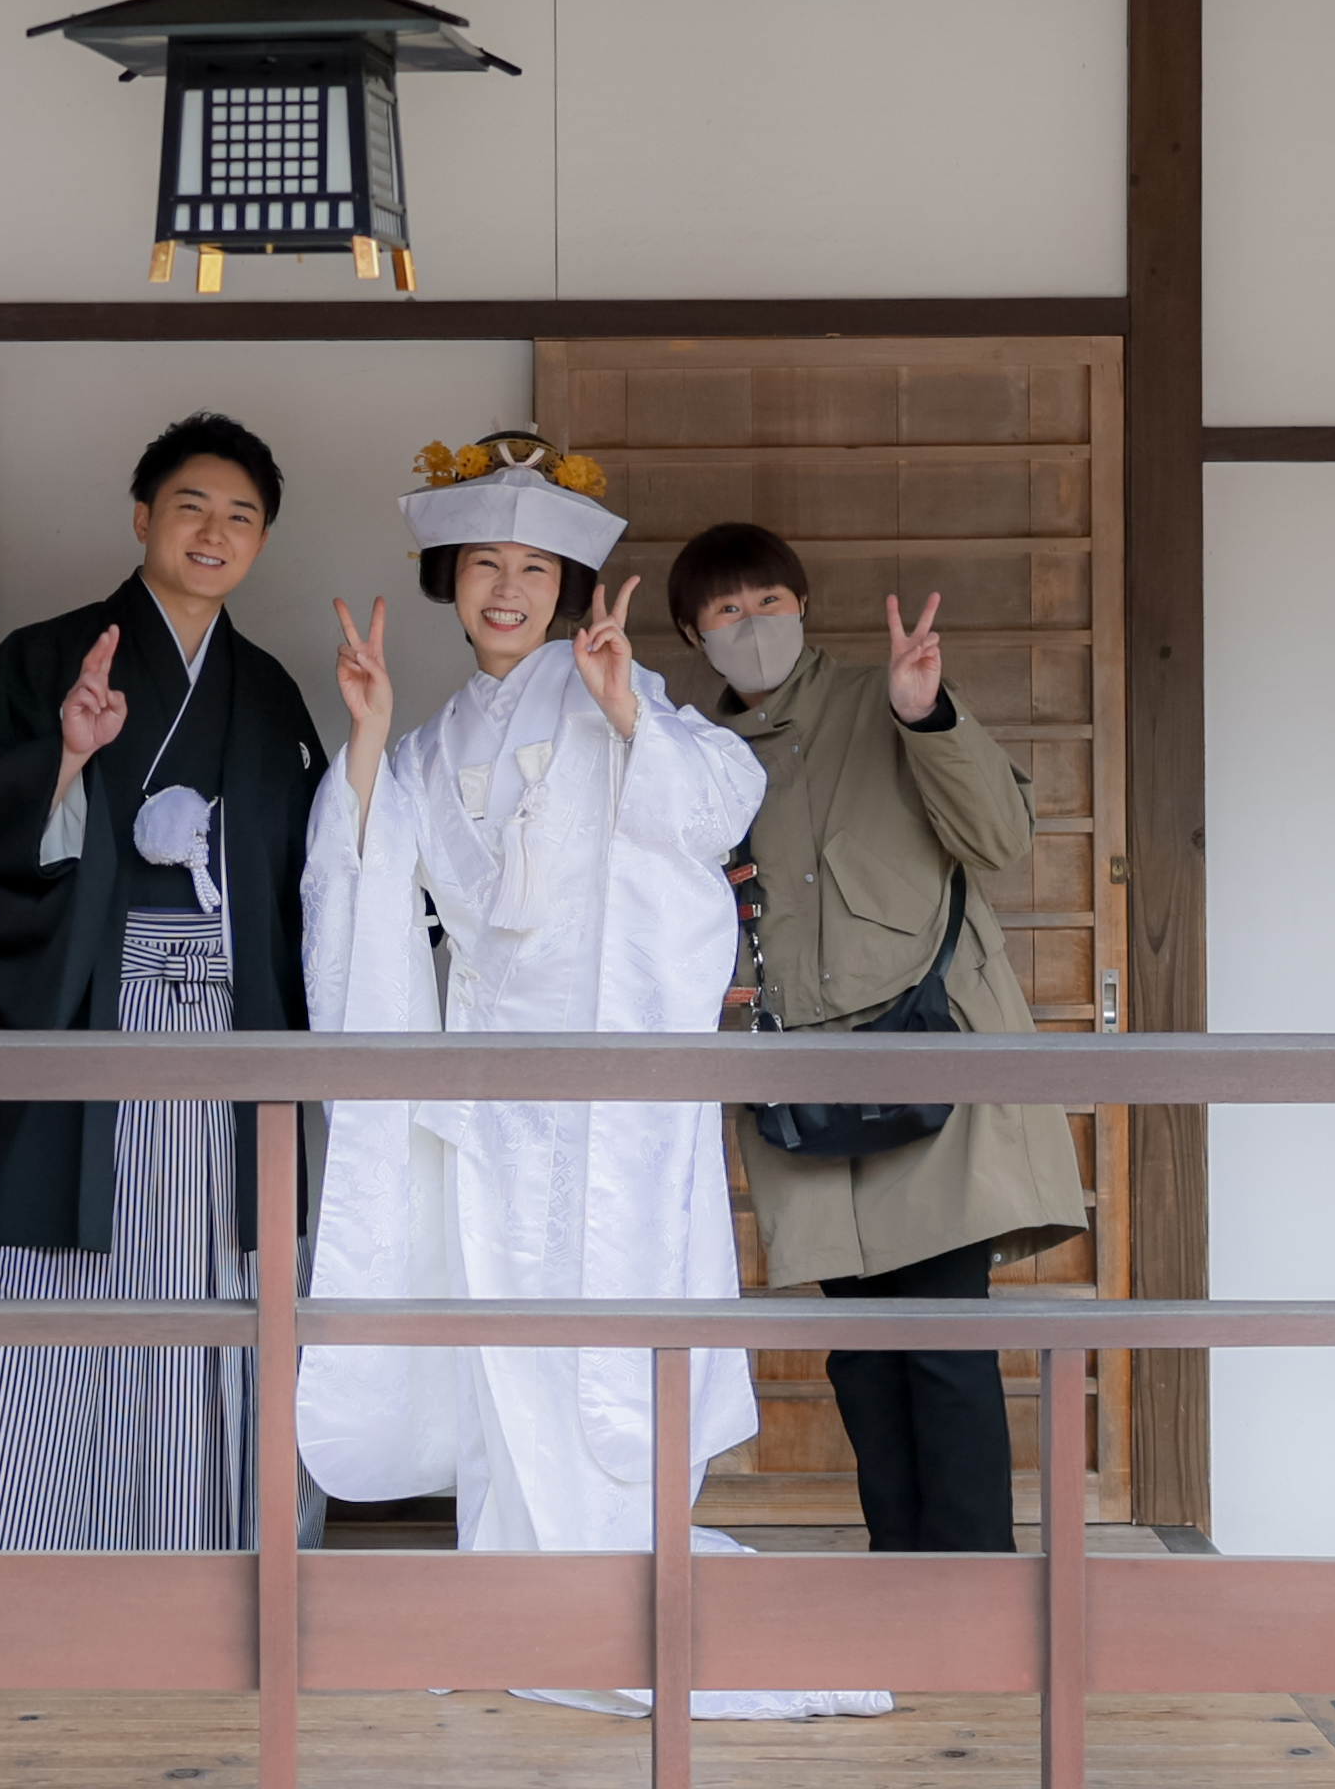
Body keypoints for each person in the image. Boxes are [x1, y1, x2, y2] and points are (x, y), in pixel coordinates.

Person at [297, 439, 892, 1721]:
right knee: (499, 1341)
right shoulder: (435, 734)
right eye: (482, 567)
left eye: (532, 569)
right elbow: (363, 885)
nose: (506, 590)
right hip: (481, 1086)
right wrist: (365, 741)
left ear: (567, 588)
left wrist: (627, 710)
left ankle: (604, 1595)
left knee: (601, 1335)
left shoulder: (617, 692)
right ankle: (516, 1589)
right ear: (451, 580)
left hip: (603, 1086)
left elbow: (721, 802)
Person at [0, 414, 328, 1551]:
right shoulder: (51, 659)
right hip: (97, 1015)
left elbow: (311, 882)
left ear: (261, 542)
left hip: (233, 1033)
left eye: (242, 516)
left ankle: (218, 1532)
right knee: (80, 1266)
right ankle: (47, 1539)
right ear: (143, 516)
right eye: (193, 506)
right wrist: (64, 757)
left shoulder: (268, 691)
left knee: (224, 1266)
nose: (215, 531)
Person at [671, 519, 1088, 1556]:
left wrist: (926, 712)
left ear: (803, 606)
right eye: (726, 610)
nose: (752, 623)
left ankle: (972, 1589)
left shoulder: (884, 698)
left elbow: (999, 837)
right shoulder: (701, 757)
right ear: (693, 633)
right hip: (803, 1083)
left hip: (932, 1053)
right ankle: (899, 1579)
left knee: (944, 1340)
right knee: (859, 1349)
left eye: (769, 601)